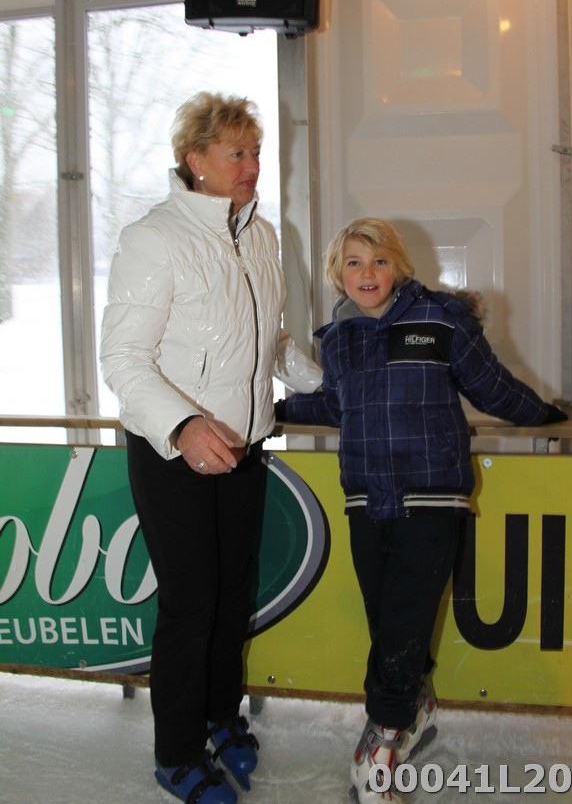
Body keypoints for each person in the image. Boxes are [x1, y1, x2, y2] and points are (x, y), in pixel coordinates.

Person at [274, 218, 568, 804]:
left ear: (399, 267)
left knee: (403, 623)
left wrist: (543, 414)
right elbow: (336, 405)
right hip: (365, 499)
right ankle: (418, 706)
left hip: (431, 499)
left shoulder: (439, 320)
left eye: (379, 261)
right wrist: (272, 412)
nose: (367, 273)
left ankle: (379, 749)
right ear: (338, 273)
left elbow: (490, 387)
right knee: (388, 623)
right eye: (354, 262)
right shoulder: (338, 338)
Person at [100, 91, 322, 804]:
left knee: (232, 597)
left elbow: (267, 340)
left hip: (244, 446)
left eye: (256, 151)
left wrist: (325, 380)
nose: (251, 165)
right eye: (236, 153)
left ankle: (221, 716)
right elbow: (123, 358)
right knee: (191, 605)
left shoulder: (260, 235)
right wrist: (183, 426)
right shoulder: (153, 239)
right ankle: (175, 753)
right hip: (174, 453)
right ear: (195, 160)